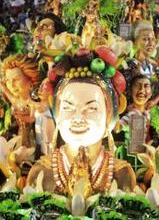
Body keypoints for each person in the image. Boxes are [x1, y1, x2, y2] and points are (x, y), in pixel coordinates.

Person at [27, 51, 136, 197]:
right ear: (57, 114)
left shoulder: (122, 173)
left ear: (109, 116)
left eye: (91, 108)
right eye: (68, 108)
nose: (78, 117)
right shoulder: (40, 171)